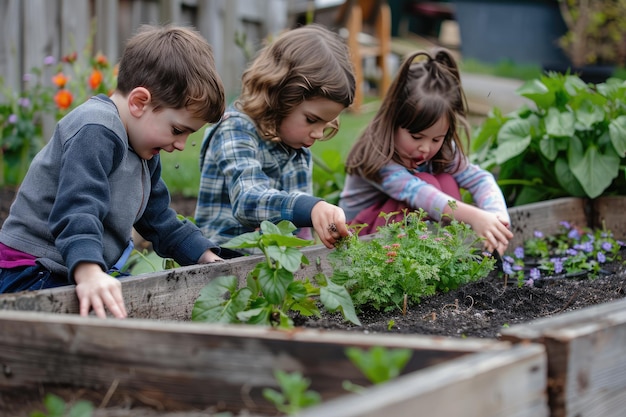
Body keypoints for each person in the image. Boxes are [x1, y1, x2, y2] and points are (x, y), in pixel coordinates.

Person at [0, 25, 226, 319]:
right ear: (139, 102)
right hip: (32, 272)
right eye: (177, 130)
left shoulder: (143, 149)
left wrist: (203, 254)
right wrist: (90, 271)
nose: (181, 145)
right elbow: (78, 208)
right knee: (136, 313)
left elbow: (158, 218)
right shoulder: (96, 129)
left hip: (72, 267)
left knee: (146, 304)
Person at [194, 24, 356, 257]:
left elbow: (298, 231)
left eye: (325, 123)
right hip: (224, 262)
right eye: (312, 119)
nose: (319, 134)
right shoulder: (235, 129)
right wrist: (311, 207)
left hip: (275, 264)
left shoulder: (296, 144)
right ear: (280, 97)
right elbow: (248, 200)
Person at [339, 48, 513, 255]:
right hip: (359, 238)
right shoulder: (379, 154)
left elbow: (479, 179)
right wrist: (475, 217)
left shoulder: (442, 150)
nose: (426, 148)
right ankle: (414, 262)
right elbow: (420, 194)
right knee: (428, 184)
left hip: (398, 234)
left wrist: (497, 217)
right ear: (393, 121)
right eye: (416, 137)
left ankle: (441, 257)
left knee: (446, 180)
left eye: (437, 139)